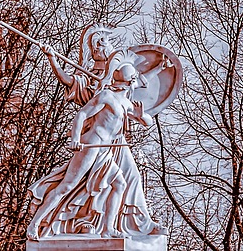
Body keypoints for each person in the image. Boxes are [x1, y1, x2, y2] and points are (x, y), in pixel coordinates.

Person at [27, 62, 163, 239]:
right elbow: (82, 115)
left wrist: (140, 116)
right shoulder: (107, 96)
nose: (134, 84)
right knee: (66, 186)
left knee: (119, 184)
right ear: (128, 82)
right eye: (133, 80)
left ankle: (107, 229)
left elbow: (147, 121)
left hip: (105, 151)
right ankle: (34, 224)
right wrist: (75, 138)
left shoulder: (127, 103)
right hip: (92, 145)